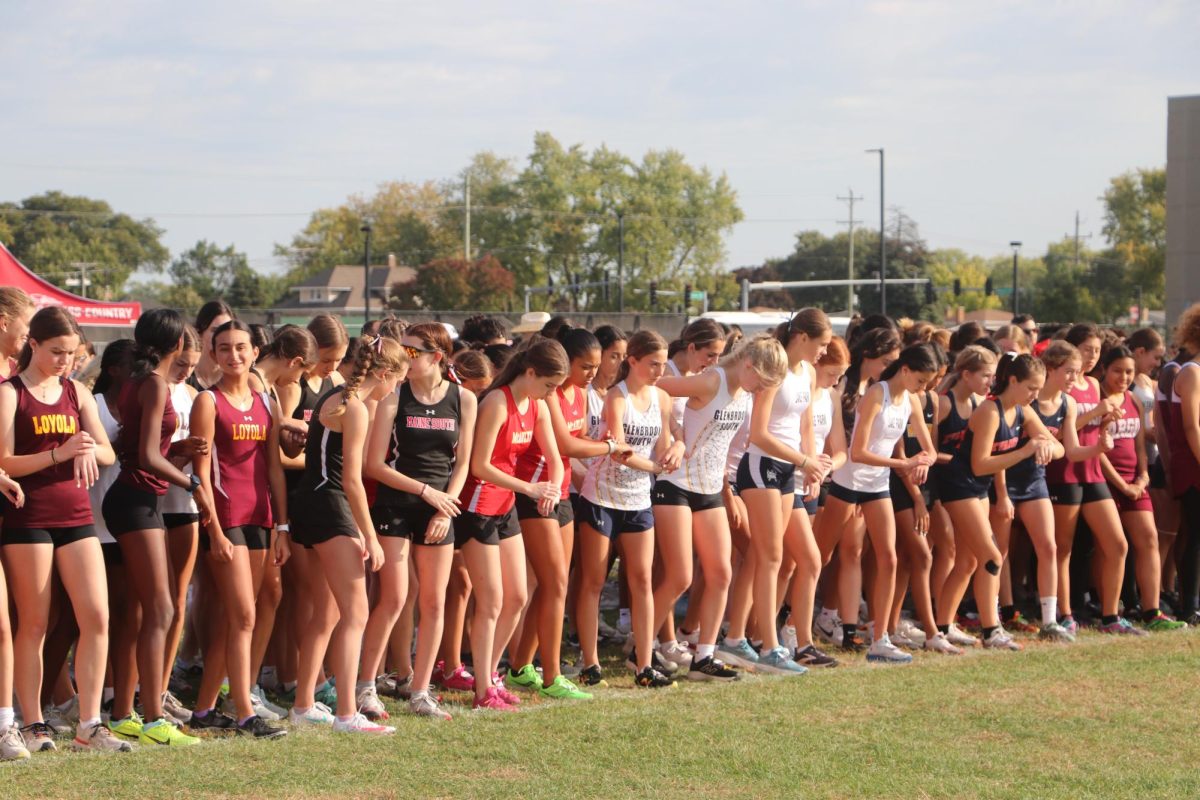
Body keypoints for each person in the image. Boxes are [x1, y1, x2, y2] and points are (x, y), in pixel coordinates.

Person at [0, 307, 123, 753]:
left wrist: (88, 447)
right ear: (32, 344)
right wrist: (60, 453)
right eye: (56, 352)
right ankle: (33, 724)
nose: (64, 362)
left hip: (76, 517)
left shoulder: (76, 392)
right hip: (28, 517)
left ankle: (90, 724)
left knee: (96, 616)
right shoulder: (11, 393)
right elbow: (6, 461)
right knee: (34, 623)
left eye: (71, 354)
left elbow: (109, 454)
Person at [102, 309, 213, 747]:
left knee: (139, 611)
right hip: (136, 502)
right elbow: (147, 455)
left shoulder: (141, 381)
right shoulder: (151, 383)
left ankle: (122, 713)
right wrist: (192, 480)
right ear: (176, 344)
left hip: (136, 499)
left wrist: (178, 450)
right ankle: (152, 719)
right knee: (162, 610)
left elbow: (142, 447)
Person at [506, 326, 630, 698]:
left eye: (596, 365)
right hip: (535, 494)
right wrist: (609, 447)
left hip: (561, 494)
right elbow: (564, 443)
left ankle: (519, 666)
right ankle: (551, 674)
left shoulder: (579, 393)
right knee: (555, 584)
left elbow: (576, 445)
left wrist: (605, 446)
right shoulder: (550, 394)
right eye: (585, 365)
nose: (592, 372)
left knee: (552, 586)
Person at [657, 334, 790, 680]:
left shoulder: (743, 390)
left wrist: (728, 491)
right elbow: (656, 388)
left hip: (712, 488)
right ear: (747, 364)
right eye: (760, 381)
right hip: (677, 483)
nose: (760, 389)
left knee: (721, 574)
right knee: (680, 576)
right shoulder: (711, 380)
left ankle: (705, 655)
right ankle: (640, 644)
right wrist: (675, 434)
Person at [291, 334, 405, 734]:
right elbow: (353, 481)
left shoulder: (337, 395)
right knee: (355, 612)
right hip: (329, 504)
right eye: (398, 380)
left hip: (313, 500)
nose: (397, 389)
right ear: (386, 373)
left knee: (328, 612)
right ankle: (345, 713)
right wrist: (370, 537)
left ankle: (304, 704)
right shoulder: (354, 407)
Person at [188, 320, 292, 740]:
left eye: (241, 348)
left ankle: (203, 710)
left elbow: (274, 467)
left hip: (261, 518)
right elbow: (198, 475)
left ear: (254, 351)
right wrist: (212, 530)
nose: (234, 355)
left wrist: (282, 525)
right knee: (244, 615)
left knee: (238, 619)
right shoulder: (207, 403)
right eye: (225, 348)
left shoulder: (267, 402)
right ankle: (246, 711)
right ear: (213, 354)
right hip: (226, 519)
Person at [364, 323, 474, 721]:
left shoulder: (464, 399)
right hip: (396, 505)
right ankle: (365, 687)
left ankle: (422, 690)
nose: (405, 359)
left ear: (437, 358)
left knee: (433, 600)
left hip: (439, 510)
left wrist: (445, 508)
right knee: (393, 598)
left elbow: (463, 464)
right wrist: (427, 493)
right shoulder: (394, 396)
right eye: (403, 351)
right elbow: (373, 464)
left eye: (413, 352)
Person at [458, 336, 568, 710]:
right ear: (531, 371)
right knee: (490, 601)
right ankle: (481, 691)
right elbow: (480, 465)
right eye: (549, 385)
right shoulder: (496, 402)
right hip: (478, 506)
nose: (550, 394)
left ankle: (489, 676)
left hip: (504, 506)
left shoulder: (535, 406)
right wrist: (530, 488)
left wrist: (551, 488)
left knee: (518, 596)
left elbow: (554, 455)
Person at [722, 310, 832, 675]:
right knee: (770, 556)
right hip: (761, 467)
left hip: (789, 471)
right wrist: (804, 461)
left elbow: (804, 425)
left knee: (765, 557)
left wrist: (811, 467)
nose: (823, 352)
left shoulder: (809, 373)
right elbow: (759, 433)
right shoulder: (775, 367)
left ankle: (737, 639)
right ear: (802, 336)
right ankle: (768, 646)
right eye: (822, 344)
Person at [821, 344, 938, 663]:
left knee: (889, 558)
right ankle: (793, 627)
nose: (924, 388)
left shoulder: (911, 399)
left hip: (877, 485)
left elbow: (929, 447)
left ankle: (880, 638)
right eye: (921, 380)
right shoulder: (877, 394)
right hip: (849, 481)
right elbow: (857, 452)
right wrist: (903, 465)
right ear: (905, 370)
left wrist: (924, 461)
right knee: (821, 555)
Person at [577, 330, 680, 689]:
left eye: (663, 364)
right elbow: (619, 447)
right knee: (593, 581)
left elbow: (667, 442)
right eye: (653, 363)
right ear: (632, 361)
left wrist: (675, 450)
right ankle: (590, 663)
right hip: (602, 496)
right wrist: (654, 467)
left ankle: (644, 663)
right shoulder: (615, 399)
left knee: (642, 580)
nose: (659, 371)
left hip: (638, 500)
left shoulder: (663, 398)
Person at [1049, 324, 1137, 635]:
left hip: (1092, 471)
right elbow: (1059, 431)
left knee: (1117, 543)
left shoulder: (1093, 385)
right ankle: (1064, 613)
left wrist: (1106, 424)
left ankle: (1110, 616)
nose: (1092, 357)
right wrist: (1097, 411)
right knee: (1062, 548)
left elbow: (1095, 432)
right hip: (1064, 473)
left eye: (1097, 351)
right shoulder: (1062, 385)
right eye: (1087, 350)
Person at [1097, 346, 1186, 631]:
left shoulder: (1133, 399)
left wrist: (1143, 477)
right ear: (1104, 370)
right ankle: (1108, 612)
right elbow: (1096, 450)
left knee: (1149, 538)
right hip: (1106, 482)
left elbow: (1140, 448)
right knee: (1111, 546)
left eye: (1129, 372)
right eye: (1117, 371)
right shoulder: (1098, 401)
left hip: (1134, 482)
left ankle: (1152, 611)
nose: (1123, 377)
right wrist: (1121, 484)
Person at [1166, 303, 1200, 625]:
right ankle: (1189, 605)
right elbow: (1192, 427)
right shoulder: (1191, 372)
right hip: (1192, 463)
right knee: (1195, 535)